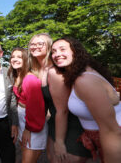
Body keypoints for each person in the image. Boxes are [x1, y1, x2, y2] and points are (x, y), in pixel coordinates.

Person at [51, 37, 121, 163]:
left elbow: (112, 131)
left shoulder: (84, 80)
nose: (57, 54)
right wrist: (89, 132)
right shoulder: (79, 74)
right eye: (53, 51)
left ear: (75, 52)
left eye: (62, 49)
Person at [28, 33, 91, 163]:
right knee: (53, 159)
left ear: (49, 47)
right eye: (32, 44)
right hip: (54, 123)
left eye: (40, 44)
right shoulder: (37, 70)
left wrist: (60, 142)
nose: (35, 46)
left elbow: (63, 110)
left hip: (71, 125)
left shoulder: (54, 71)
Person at [8, 47, 48, 163]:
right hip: (22, 120)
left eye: (19, 57)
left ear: (26, 60)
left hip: (32, 124)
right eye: (13, 57)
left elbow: (36, 109)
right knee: (24, 153)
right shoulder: (17, 75)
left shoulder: (30, 79)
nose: (15, 59)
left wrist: (28, 129)